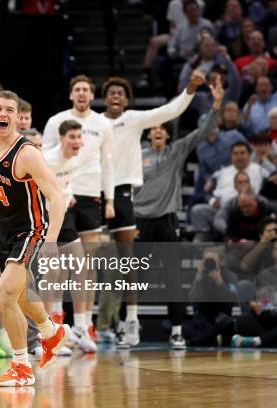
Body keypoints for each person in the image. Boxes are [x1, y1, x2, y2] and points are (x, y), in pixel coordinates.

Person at [100, 70, 203, 348]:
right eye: (112, 92)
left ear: (127, 100)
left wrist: (190, 89)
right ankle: (115, 324)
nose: (116, 96)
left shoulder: (134, 120)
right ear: (105, 98)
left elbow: (170, 109)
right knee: (121, 271)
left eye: (121, 93)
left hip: (131, 203)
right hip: (100, 194)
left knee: (152, 273)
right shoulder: (93, 124)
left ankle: (162, 327)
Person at [0, 90, 70, 387]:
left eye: (9, 110)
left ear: (18, 117)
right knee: (19, 294)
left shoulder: (27, 153)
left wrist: (51, 242)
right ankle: (50, 331)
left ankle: (21, 367)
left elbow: (57, 197)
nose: (2, 114)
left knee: (3, 294)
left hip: (32, 231)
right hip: (8, 230)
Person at [134, 76, 223, 349]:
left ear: (168, 134)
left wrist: (216, 104)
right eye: (154, 129)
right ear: (148, 133)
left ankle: (175, 330)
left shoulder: (176, 150)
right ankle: (129, 323)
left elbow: (202, 130)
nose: (158, 132)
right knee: (134, 277)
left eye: (163, 128)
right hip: (140, 221)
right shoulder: (135, 154)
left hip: (167, 221)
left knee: (173, 278)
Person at [43, 74, 114, 351]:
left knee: (81, 265)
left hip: (76, 201)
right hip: (48, 212)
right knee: (54, 270)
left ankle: (79, 327)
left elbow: (104, 163)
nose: (79, 142)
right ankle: (52, 330)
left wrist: (105, 199)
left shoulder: (95, 132)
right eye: (78, 89)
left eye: (87, 89)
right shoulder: (50, 153)